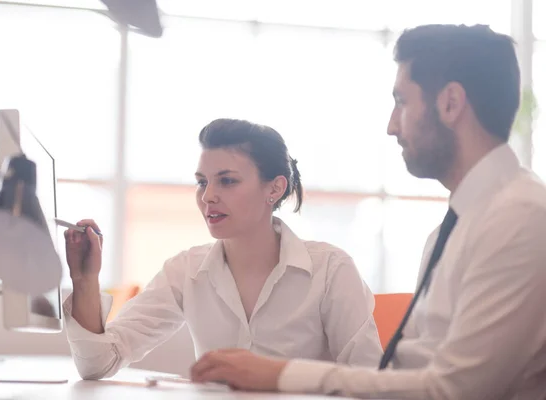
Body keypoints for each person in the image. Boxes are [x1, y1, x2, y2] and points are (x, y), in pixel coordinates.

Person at [190, 24, 546, 400]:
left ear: (450, 104)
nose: (391, 126)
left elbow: (455, 389)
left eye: (402, 102)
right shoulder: (454, 227)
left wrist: (280, 374)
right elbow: (417, 372)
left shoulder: (520, 219)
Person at [62, 118, 383, 380]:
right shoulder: (185, 271)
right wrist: (85, 280)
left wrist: (278, 376)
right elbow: (98, 364)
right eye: (202, 182)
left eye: (227, 181)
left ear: (275, 187)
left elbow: (372, 383)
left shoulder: (330, 270)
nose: (208, 196)